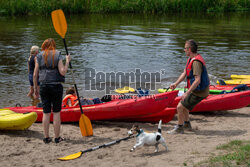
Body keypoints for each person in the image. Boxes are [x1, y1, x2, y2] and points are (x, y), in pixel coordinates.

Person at [168, 39, 210, 134]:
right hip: (197, 90)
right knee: (185, 106)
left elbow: (197, 80)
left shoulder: (196, 63)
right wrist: (175, 84)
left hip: (200, 91)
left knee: (179, 107)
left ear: (190, 49)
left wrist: (187, 93)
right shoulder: (191, 59)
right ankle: (187, 124)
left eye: (185, 48)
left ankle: (179, 128)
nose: (184, 50)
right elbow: (184, 73)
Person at [33, 38, 71, 143]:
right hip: (56, 87)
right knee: (56, 112)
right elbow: (63, 72)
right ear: (53, 45)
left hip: (44, 87)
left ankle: (46, 137)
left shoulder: (39, 56)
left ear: (44, 45)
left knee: (46, 112)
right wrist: (67, 62)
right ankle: (57, 138)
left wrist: (35, 89)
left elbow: (35, 74)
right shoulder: (58, 54)